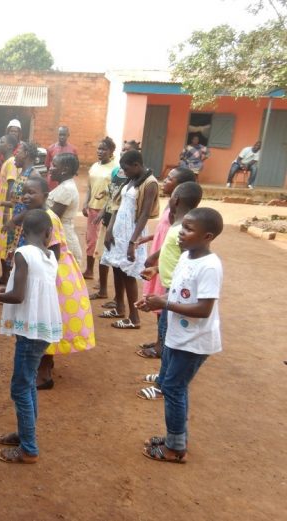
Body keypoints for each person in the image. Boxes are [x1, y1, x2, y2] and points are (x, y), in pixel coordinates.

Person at [135, 207, 224, 463]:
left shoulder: (209, 266)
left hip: (195, 341)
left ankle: (175, 448)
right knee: (175, 387)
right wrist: (158, 298)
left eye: (188, 229)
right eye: (182, 227)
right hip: (178, 335)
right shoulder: (187, 257)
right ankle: (176, 438)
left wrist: (164, 305)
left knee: (173, 387)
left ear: (207, 236)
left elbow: (204, 309)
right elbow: (178, 290)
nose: (181, 233)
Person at [0, 209, 62, 464]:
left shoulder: (24, 253)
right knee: (28, 383)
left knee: (20, 388)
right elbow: (23, 287)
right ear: (49, 233)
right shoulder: (49, 256)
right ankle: (26, 434)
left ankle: (28, 449)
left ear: (22, 232)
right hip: (43, 328)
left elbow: (18, 296)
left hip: (30, 331)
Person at [18, 176, 94, 390]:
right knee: (48, 320)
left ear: (46, 195)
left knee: (44, 320)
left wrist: (39, 281)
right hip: (54, 272)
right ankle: (46, 365)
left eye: (32, 192)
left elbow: (54, 252)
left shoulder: (47, 217)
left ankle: (43, 374)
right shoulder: (40, 214)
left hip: (54, 276)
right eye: (24, 191)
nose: (26, 195)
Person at [136, 182, 204, 401]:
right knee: (165, 335)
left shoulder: (183, 231)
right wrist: (156, 268)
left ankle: (162, 385)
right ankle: (164, 376)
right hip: (169, 290)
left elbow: (186, 263)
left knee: (168, 338)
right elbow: (174, 257)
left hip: (174, 294)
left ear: (175, 200)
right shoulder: (179, 228)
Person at [135, 167, 197, 360]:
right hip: (164, 270)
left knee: (165, 313)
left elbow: (180, 247)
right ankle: (159, 342)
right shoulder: (173, 213)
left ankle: (162, 347)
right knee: (160, 310)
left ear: (178, 194)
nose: (165, 180)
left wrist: (155, 259)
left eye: (170, 178)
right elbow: (166, 234)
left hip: (171, 276)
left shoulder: (183, 221)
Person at [100, 150, 160, 329]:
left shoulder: (150, 183)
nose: (124, 172)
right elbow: (117, 206)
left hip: (132, 233)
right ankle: (119, 307)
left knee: (128, 274)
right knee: (117, 269)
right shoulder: (131, 179)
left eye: (126, 169)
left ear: (137, 165)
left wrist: (133, 242)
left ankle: (134, 318)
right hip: (119, 230)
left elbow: (144, 214)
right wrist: (109, 229)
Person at [90, 140, 140, 303]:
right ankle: (105, 291)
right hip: (111, 220)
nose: (123, 153)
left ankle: (121, 301)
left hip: (125, 225)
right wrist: (104, 211)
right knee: (104, 255)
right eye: (122, 150)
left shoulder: (140, 179)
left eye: (127, 151)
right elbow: (113, 196)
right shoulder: (118, 172)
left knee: (121, 265)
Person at [82, 137, 117, 279]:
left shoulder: (116, 168)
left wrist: (104, 211)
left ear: (111, 151)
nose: (100, 151)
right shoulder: (94, 166)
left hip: (107, 211)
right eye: (99, 148)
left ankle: (102, 278)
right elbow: (90, 187)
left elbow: (115, 192)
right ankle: (89, 270)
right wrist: (85, 203)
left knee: (102, 242)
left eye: (104, 149)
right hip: (92, 208)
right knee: (91, 239)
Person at [0, 135, 20, 284]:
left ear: (8, 146)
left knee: (7, 242)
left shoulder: (11, 162)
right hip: (2, 206)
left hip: (6, 209)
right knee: (2, 241)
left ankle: (8, 278)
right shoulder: (6, 161)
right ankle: (5, 276)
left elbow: (11, 186)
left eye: (1, 142)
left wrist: (7, 211)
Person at [46, 153, 83, 266]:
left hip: (62, 238)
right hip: (59, 235)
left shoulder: (67, 189)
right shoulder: (64, 186)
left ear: (65, 169)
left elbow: (52, 216)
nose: (50, 168)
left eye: (54, 165)